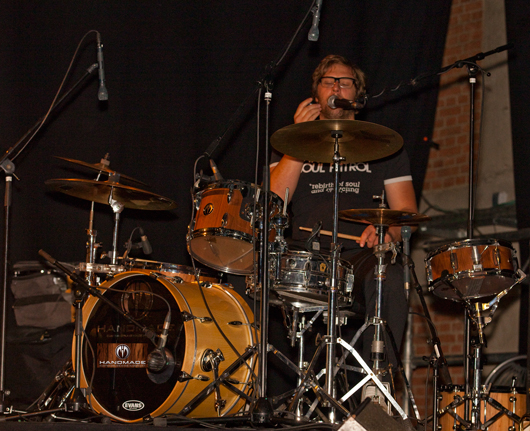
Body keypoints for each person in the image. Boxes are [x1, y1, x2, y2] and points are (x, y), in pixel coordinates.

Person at [269, 54, 418, 382]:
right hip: (305, 255)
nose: (336, 87)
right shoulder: (290, 142)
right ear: (316, 94)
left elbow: (405, 214)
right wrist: (299, 139)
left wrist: (388, 233)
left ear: (358, 95)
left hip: (360, 255)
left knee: (390, 277)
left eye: (345, 82)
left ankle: (377, 386)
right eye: (328, 82)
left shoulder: (385, 146)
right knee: (247, 269)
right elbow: (273, 203)